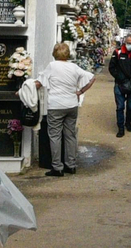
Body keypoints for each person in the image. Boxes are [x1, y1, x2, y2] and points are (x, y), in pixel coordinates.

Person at [35, 42, 94, 176]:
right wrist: (80, 91)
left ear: (54, 54)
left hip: (56, 105)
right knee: (70, 135)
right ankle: (71, 165)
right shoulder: (74, 67)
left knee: (55, 136)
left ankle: (57, 167)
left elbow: (40, 82)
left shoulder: (52, 66)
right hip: (71, 104)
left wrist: (24, 89)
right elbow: (91, 78)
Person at [109, 33, 131, 137]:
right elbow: (112, 68)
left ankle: (128, 123)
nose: (130, 45)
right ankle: (120, 127)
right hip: (120, 83)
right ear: (125, 42)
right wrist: (120, 77)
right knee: (120, 107)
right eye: (128, 43)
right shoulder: (117, 52)